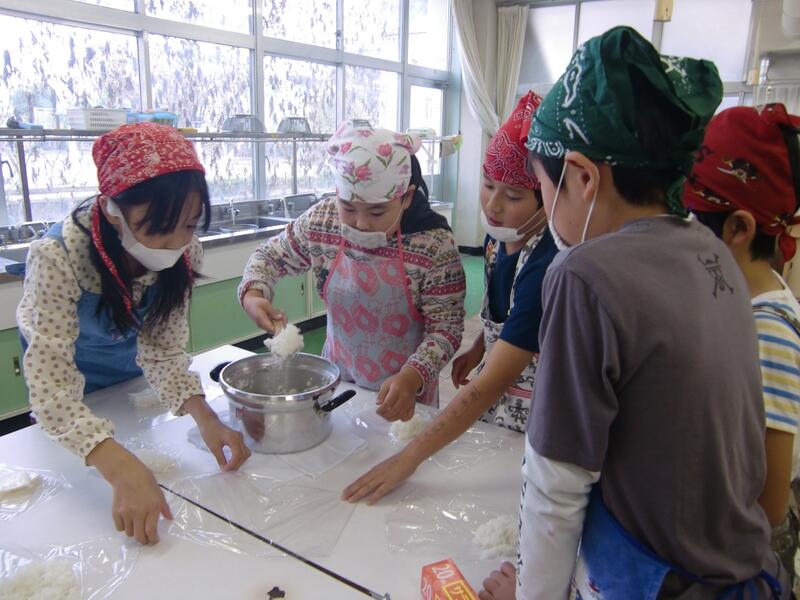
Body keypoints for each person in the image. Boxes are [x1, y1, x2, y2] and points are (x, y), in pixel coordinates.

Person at [480, 26, 790, 600]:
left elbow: (555, 485)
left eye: (541, 188)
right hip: (741, 573)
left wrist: (530, 593)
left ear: (582, 177)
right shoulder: (710, 253)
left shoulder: (583, 275)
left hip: (659, 583)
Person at [16, 123, 250, 546]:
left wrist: (206, 417)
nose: (175, 243)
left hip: (128, 380)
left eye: (190, 224)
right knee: (61, 502)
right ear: (112, 211)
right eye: (157, 228)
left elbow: (162, 352)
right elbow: (52, 391)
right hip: (68, 397)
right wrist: (120, 467)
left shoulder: (185, 251)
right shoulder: (57, 257)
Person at [342, 92, 559, 505]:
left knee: (510, 494)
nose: (493, 206)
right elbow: (503, 312)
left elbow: (491, 384)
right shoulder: (498, 241)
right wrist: (479, 347)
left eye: (514, 196)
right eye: (487, 185)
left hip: (536, 410)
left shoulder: (546, 263)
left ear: (546, 198)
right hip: (499, 400)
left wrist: (410, 457)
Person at [239, 123, 465, 421]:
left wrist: (413, 376)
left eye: (377, 212)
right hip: (336, 384)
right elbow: (269, 256)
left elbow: (446, 328)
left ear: (407, 197)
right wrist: (254, 294)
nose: (361, 223)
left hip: (404, 395)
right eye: (348, 207)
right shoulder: (323, 221)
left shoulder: (433, 244)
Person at [683, 103, 800, 586]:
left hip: (741, 556)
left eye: (690, 224)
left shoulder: (768, 332)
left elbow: (769, 503)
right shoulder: (735, 301)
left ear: (738, 228)